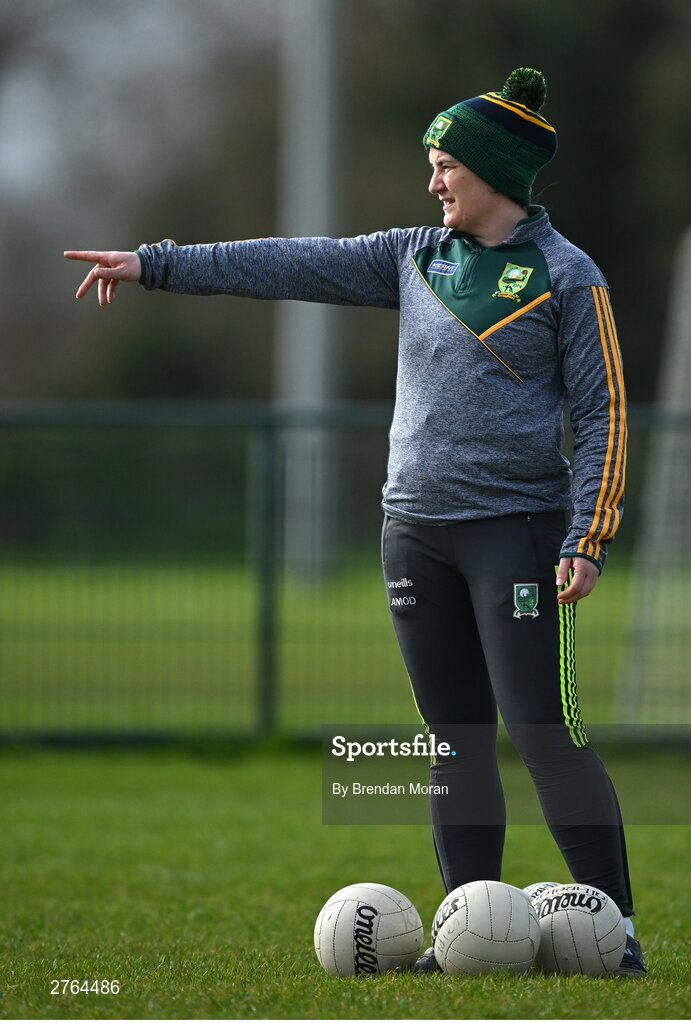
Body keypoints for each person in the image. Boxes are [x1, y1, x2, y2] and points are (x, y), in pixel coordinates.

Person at [65, 67, 646, 977]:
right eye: (431, 164)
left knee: (542, 730)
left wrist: (587, 534)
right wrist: (156, 264)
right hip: (413, 532)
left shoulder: (569, 277)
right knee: (453, 737)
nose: (433, 181)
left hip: (520, 532)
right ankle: (467, 935)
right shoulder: (413, 256)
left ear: (494, 169)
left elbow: (606, 412)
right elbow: (288, 259)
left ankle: (619, 934)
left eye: (446, 163)